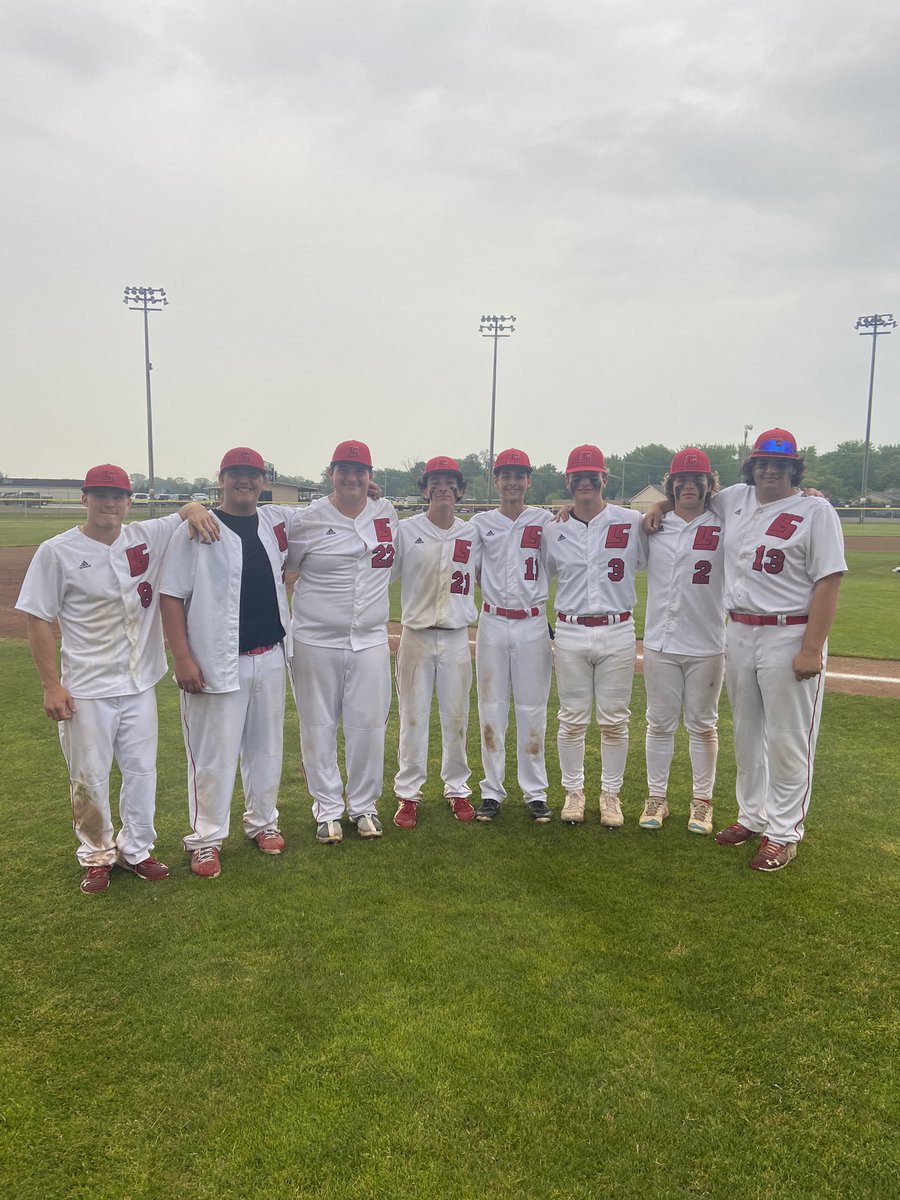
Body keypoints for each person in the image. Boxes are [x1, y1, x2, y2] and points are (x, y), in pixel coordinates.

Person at [16, 464, 219, 894]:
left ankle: (137, 849)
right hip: (86, 687)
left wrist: (195, 507)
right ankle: (97, 855)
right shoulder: (57, 551)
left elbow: (185, 511)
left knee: (142, 773)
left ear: (129, 501)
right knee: (89, 777)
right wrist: (51, 685)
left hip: (140, 682)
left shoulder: (145, 535)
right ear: (85, 499)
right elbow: (37, 618)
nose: (109, 503)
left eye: (117, 496)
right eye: (100, 495)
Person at [711, 428, 846, 871]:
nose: (770, 471)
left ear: (794, 469)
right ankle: (752, 816)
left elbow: (829, 580)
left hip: (789, 631)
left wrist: (812, 648)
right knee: (747, 733)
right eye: (763, 463)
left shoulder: (815, 511)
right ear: (751, 467)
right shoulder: (734, 498)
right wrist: (658, 505)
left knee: (788, 737)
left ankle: (785, 833)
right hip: (739, 630)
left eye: (780, 464)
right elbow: (686, 498)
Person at [160, 447, 292, 880]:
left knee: (266, 750)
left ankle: (264, 821)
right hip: (215, 661)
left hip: (269, 656)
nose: (244, 480)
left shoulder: (272, 523)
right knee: (212, 757)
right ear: (221, 479)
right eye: (235, 473)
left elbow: (330, 509)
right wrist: (182, 658)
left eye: (252, 474)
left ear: (264, 481)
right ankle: (205, 839)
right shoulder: (195, 529)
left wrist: (368, 492)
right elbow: (171, 596)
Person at [287, 440, 398, 844]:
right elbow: (288, 570)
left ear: (370, 476)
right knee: (318, 725)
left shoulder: (386, 512)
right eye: (344, 470)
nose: (352, 477)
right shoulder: (307, 520)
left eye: (360, 471)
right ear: (331, 473)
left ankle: (364, 806)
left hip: (369, 638)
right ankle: (328, 809)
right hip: (316, 639)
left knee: (368, 726)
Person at [546, 444, 647, 827]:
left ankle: (610, 795)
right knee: (571, 719)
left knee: (614, 720)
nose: (585, 482)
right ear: (568, 481)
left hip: (618, 628)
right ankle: (573, 792)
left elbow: (677, 518)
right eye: (578, 477)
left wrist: (661, 504)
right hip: (570, 630)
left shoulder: (631, 521)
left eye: (592, 476)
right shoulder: (553, 528)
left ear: (604, 478)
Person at [640, 449, 725, 836]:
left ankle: (702, 801)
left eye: (697, 481)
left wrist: (808, 494)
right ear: (671, 485)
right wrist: (658, 506)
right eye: (681, 481)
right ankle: (656, 797)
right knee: (659, 724)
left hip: (707, 640)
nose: (689, 486)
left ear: (709, 484)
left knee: (703, 725)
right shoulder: (655, 524)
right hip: (661, 639)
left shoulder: (725, 521)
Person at [392, 456, 480, 829]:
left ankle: (457, 788)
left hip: (457, 635)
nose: (443, 488)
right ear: (425, 489)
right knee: (412, 716)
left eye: (449, 482)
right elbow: (385, 573)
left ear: (459, 491)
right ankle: (408, 794)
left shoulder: (473, 532)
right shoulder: (405, 530)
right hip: (416, 635)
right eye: (435, 482)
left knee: (456, 716)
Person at [469, 448, 554, 823]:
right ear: (496, 480)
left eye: (520, 475)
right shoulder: (480, 523)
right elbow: (470, 569)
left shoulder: (545, 520)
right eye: (506, 475)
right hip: (492, 620)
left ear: (529, 481)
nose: (513, 482)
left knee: (533, 708)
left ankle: (535, 792)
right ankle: (492, 791)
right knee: (491, 708)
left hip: (532, 621)